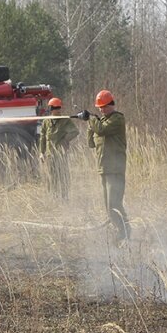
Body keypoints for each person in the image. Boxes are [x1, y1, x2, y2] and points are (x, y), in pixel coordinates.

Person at [79, 89, 130, 242]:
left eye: (104, 106)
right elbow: (91, 143)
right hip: (104, 169)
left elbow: (102, 130)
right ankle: (120, 232)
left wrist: (92, 120)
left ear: (111, 105)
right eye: (99, 107)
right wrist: (89, 123)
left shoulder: (117, 119)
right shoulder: (99, 122)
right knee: (108, 206)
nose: (101, 110)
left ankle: (124, 234)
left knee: (114, 204)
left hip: (115, 169)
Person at [38, 97, 79, 199]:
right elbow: (43, 137)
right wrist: (41, 152)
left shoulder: (65, 120)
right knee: (52, 177)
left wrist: (65, 140)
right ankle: (54, 196)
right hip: (49, 155)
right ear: (51, 109)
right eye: (55, 108)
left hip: (61, 154)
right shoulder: (46, 122)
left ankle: (64, 196)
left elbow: (75, 132)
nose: (57, 110)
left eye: (58, 108)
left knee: (63, 176)